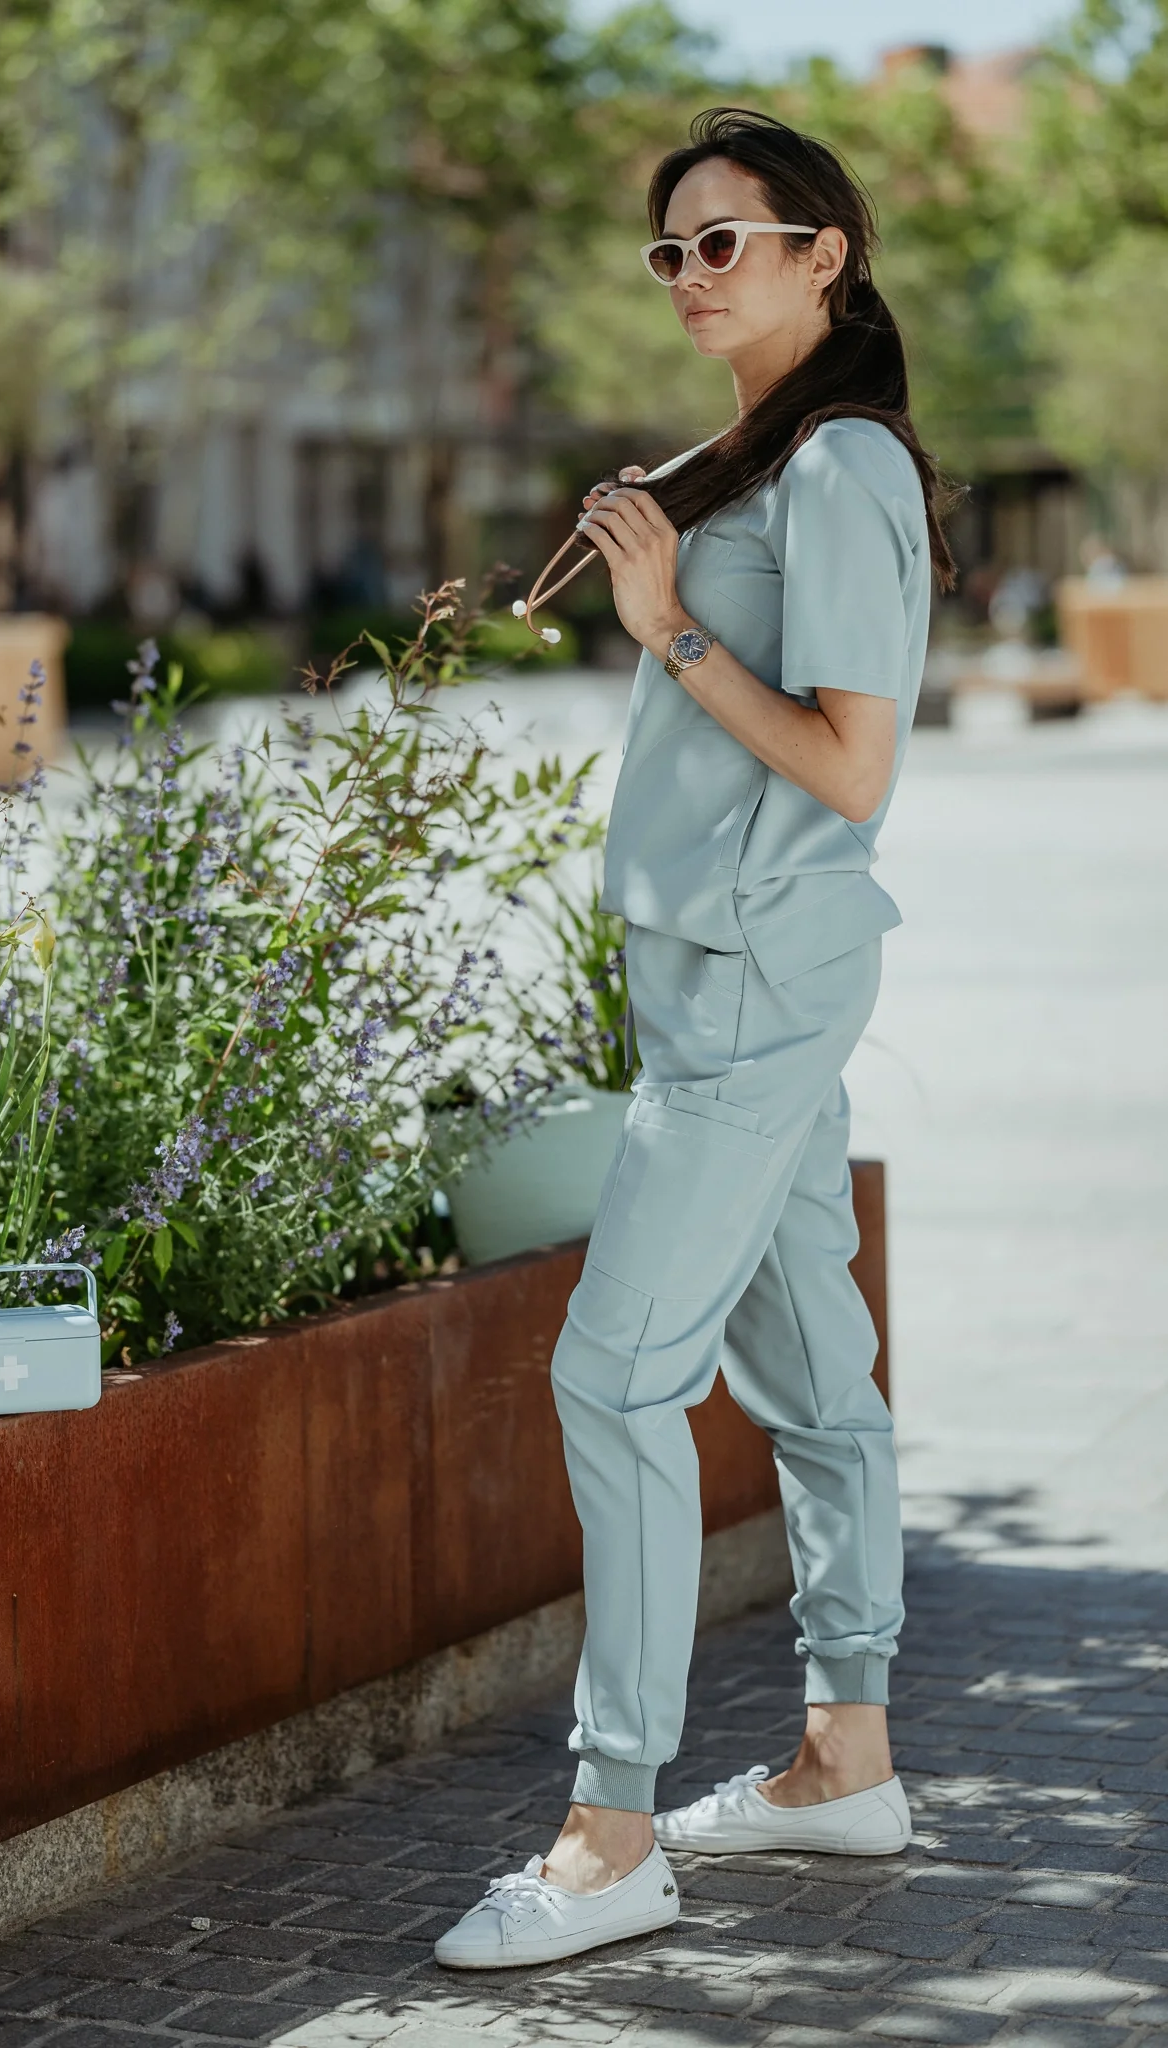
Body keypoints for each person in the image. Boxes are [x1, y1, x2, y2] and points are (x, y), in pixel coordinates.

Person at [435, 107, 955, 1971]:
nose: (691, 275)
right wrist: (666, 558)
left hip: (749, 991)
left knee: (611, 1378)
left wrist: (664, 623)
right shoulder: (769, 461)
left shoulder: (844, 476)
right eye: (670, 252)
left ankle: (611, 1824)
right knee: (814, 1365)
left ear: (830, 252)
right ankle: (847, 1753)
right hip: (728, 978)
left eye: (726, 241)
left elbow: (853, 763)